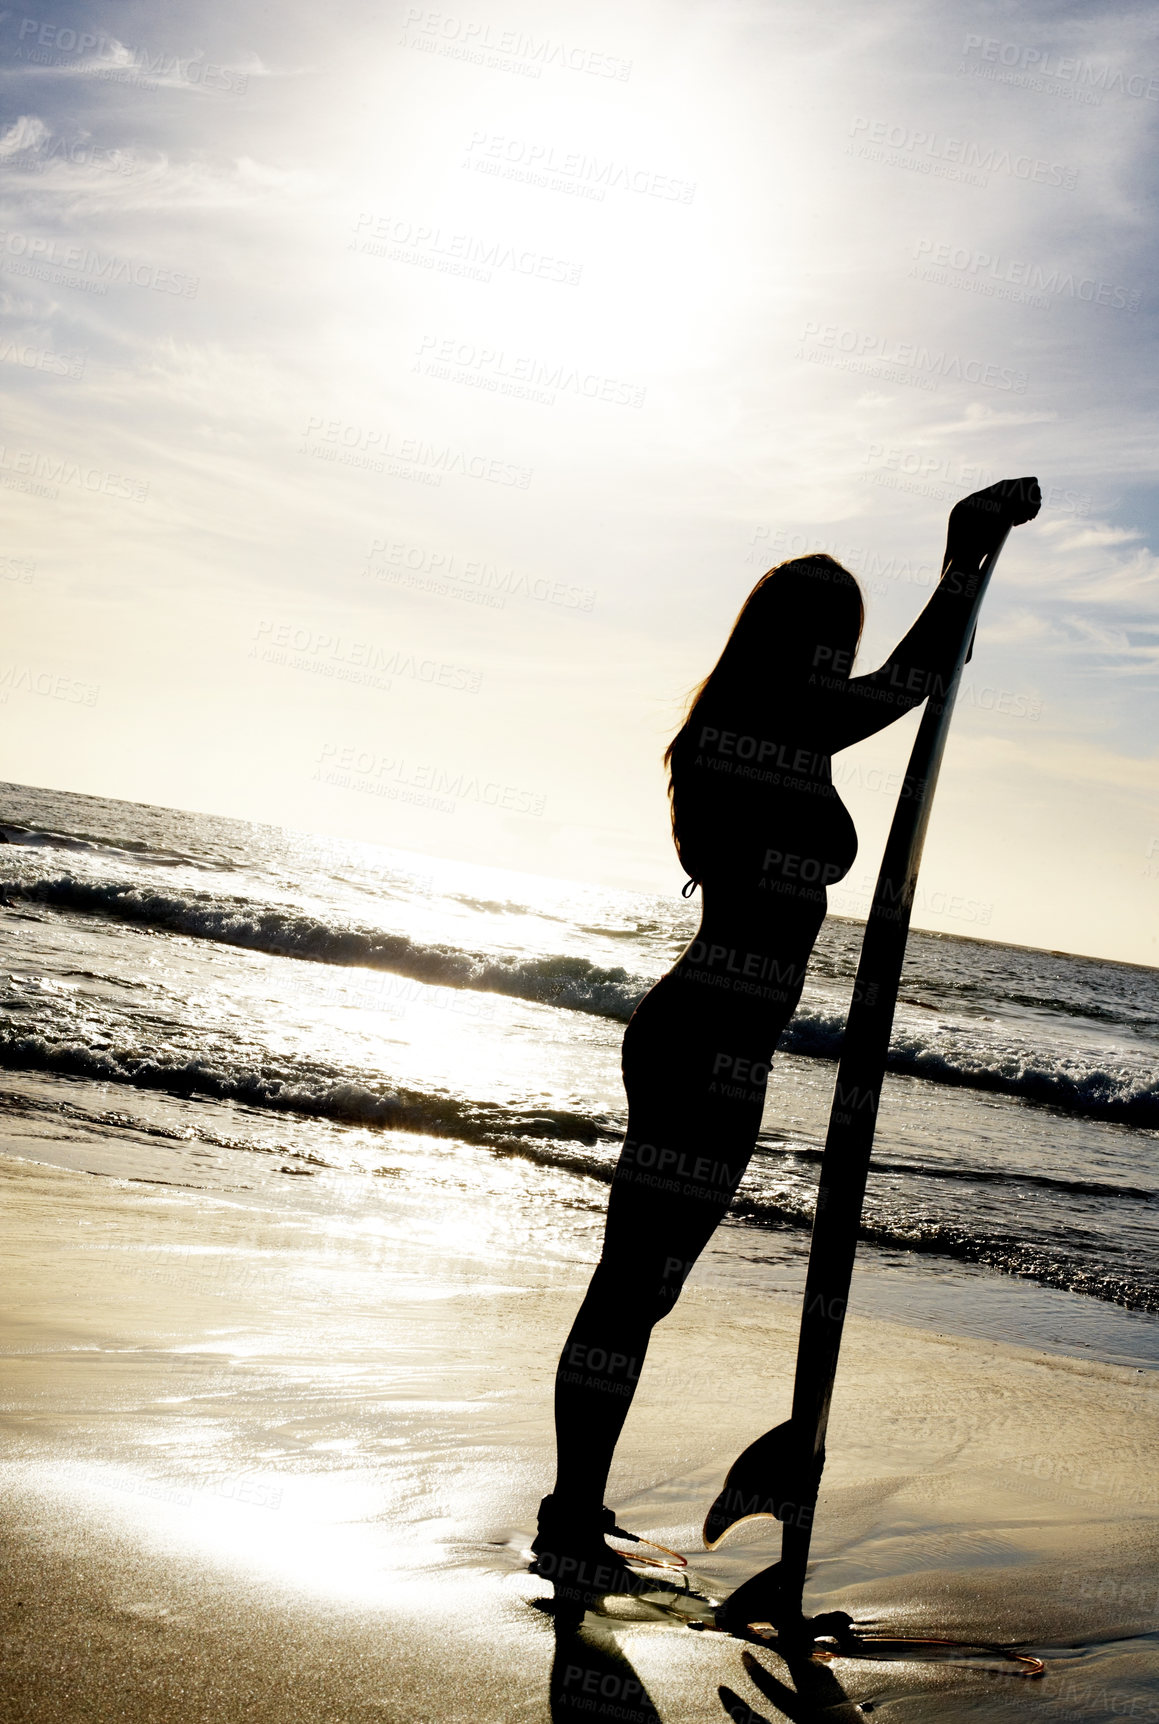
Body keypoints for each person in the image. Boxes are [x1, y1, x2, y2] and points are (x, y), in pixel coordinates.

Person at [531, 478, 1040, 1601]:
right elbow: (909, 684)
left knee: (642, 1286)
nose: (837, 660)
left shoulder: (756, 730)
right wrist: (963, 558)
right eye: (829, 641)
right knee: (631, 1284)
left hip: (721, 1043)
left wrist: (962, 575)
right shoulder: (757, 731)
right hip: (703, 1038)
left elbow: (894, 689)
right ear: (792, 642)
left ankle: (576, 1508)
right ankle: (568, 1516)